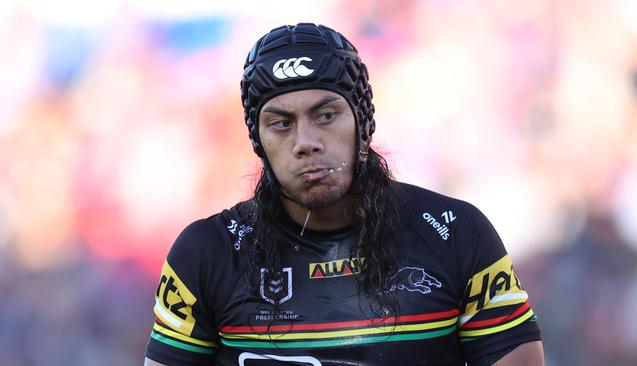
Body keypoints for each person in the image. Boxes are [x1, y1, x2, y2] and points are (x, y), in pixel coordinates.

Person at [144, 23, 544, 366]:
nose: (306, 142)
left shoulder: (456, 234)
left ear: (362, 122)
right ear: (258, 140)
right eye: (281, 123)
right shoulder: (206, 253)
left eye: (326, 115)